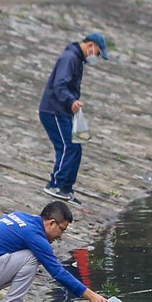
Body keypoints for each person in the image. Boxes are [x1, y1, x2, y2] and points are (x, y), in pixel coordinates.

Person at [38, 32, 108, 201]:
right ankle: (56, 184)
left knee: (75, 147)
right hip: (54, 110)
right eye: (98, 52)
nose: (96, 56)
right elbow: (60, 84)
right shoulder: (70, 58)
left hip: (62, 110)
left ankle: (66, 188)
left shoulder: (76, 59)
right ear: (91, 45)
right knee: (68, 147)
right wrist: (70, 101)